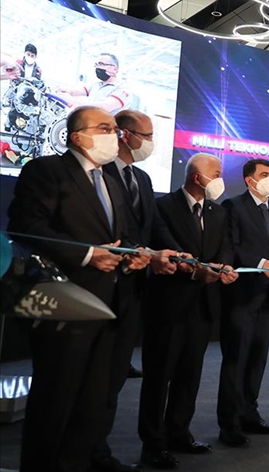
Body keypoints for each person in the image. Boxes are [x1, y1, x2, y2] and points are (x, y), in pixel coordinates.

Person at [8, 106, 151, 472]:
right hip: (65, 304)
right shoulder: (46, 171)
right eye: (105, 127)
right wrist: (87, 255)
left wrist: (133, 256)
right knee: (55, 400)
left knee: (92, 400)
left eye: (115, 128)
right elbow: (26, 226)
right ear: (76, 136)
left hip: (109, 306)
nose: (115, 135)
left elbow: (120, 237)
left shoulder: (111, 181)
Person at [138, 153, 238, 470]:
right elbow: (166, 244)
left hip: (203, 305)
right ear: (197, 177)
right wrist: (196, 271)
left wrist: (223, 267)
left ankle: (179, 432)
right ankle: (153, 444)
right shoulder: (163, 206)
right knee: (159, 378)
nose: (220, 179)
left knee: (189, 375)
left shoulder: (218, 211)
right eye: (216, 173)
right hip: (169, 304)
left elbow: (225, 247)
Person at [94, 109, 180, 472]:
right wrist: (141, 252)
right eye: (146, 136)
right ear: (125, 135)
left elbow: (154, 226)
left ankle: (98, 452)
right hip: (99, 287)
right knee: (92, 378)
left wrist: (175, 253)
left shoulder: (142, 178)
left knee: (114, 377)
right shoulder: (99, 173)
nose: (150, 143)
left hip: (134, 291)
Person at [217, 159, 269, 447]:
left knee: (257, 360)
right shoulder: (233, 206)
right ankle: (229, 423)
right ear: (249, 180)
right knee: (236, 360)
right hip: (242, 296)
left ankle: (249, 414)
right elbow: (232, 246)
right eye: (264, 174)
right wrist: (263, 264)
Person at [57, 53, 138, 114]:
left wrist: (74, 102)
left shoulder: (122, 89)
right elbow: (77, 91)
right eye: (97, 64)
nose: (98, 67)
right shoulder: (96, 84)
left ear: (115, 69)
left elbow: (105, 107)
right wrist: (65, 91)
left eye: (101, 64)